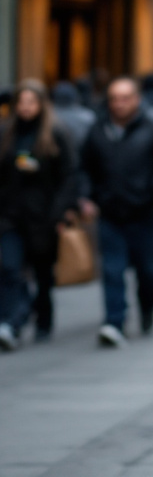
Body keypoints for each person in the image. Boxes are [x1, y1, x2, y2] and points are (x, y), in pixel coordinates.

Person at [81, 77, 153, 348]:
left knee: (148, 271)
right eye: (114, 98)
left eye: (125, 98)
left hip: (144, 211)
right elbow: (85, 165)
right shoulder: (99, 127)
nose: (119, 104)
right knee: (112, 270)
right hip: (110, 211)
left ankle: (147, 310)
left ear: (137, 99)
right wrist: (88, 196)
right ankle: (114, 322)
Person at [0, 81, 78, 349]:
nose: (25, 108)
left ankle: (43, 318)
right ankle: (11, 322)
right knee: (9, 269)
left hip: (44, 217)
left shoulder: (55, 133)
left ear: (41, 104)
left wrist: (60, 211)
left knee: (42, 274)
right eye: (21, 102)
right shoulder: (7, 133)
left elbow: (69, 174)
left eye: (31, 102)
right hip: (10, 215)